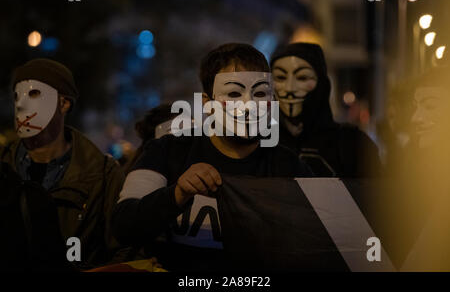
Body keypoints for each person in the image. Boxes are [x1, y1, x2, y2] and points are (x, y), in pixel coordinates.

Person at [112, 43, 312, 271]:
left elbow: (324, 235)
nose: (249, 106)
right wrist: (177, 194)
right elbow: (123, 225)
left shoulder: (288, 166)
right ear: (208, 104)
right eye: (235, 93)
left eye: (259, 93)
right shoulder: (167, 151)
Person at [0, 58, 125, 269]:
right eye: (16, 96)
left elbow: (122, 249)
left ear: (64, 103)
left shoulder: (103, 175)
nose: (20, 103)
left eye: (34, 93)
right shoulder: (3, 166)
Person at [270, 43, 381, 177]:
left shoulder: (353, 145)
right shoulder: (259, 144)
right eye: (280, 77)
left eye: (302, 77)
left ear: (322, 84)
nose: (289, 88)